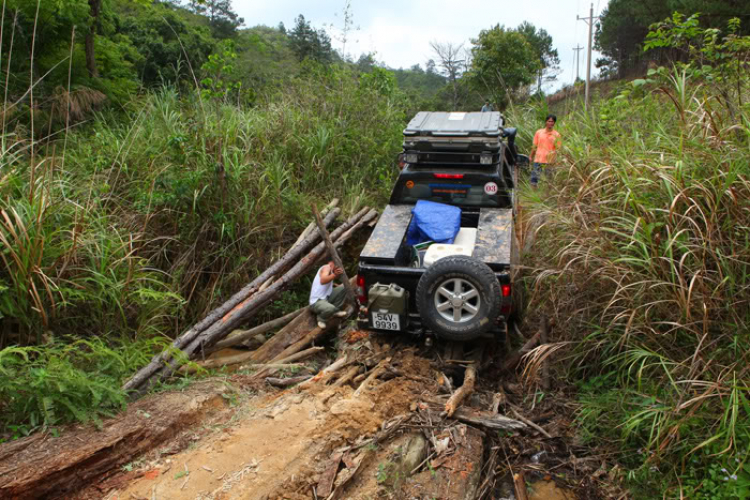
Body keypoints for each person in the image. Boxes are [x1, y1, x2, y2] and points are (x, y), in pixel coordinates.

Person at [309, 261, 349, 328]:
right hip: (316, 302)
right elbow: (323, 281)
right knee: (330, 308)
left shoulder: (331, 271)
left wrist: (335, 275)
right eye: (337, 265)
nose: (338, 267)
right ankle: (321, 319)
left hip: (326, 298)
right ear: (331, 262)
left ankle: (335, 311)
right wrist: (334, 275)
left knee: (344, 288)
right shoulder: (326, 267)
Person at [529, 114, 561, 187]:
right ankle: (534, 195)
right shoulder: (539, 132)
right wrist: (531, 156)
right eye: (549, 121)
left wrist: (557, 160)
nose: (550, 123)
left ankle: (547, 195)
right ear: (546, 122)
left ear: (554, 123)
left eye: (552, 121)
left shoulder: (556, 134)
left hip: (550, 161)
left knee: (549, 180)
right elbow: (534, 146)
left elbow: (558, 149)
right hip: (538, 159)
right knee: (534, 179)